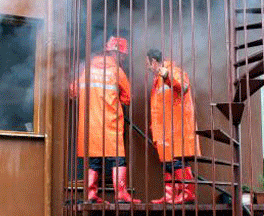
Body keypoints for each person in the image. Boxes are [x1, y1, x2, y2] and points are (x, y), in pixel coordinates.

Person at [70, 36, 140, 203]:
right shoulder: (117, 71)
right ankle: (121, 194)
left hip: (90, 125)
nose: (122, 59)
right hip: (110, 123)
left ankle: (91, 194)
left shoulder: (86, 69)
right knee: (117, 158)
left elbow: (72, 91)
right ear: (116, 54)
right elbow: (128, 97)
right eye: (122, 56)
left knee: (94, 160)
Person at [146, 48, 200, 204]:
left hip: (176, 129)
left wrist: (166, 75)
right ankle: (170, 195)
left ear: (154, 61)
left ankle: (188, 193)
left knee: (177, 162)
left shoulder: (173, 72)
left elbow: (182, 87)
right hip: (165, 130)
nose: (147, 67)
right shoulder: (157, 80)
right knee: (167, 163)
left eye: (148, 63)